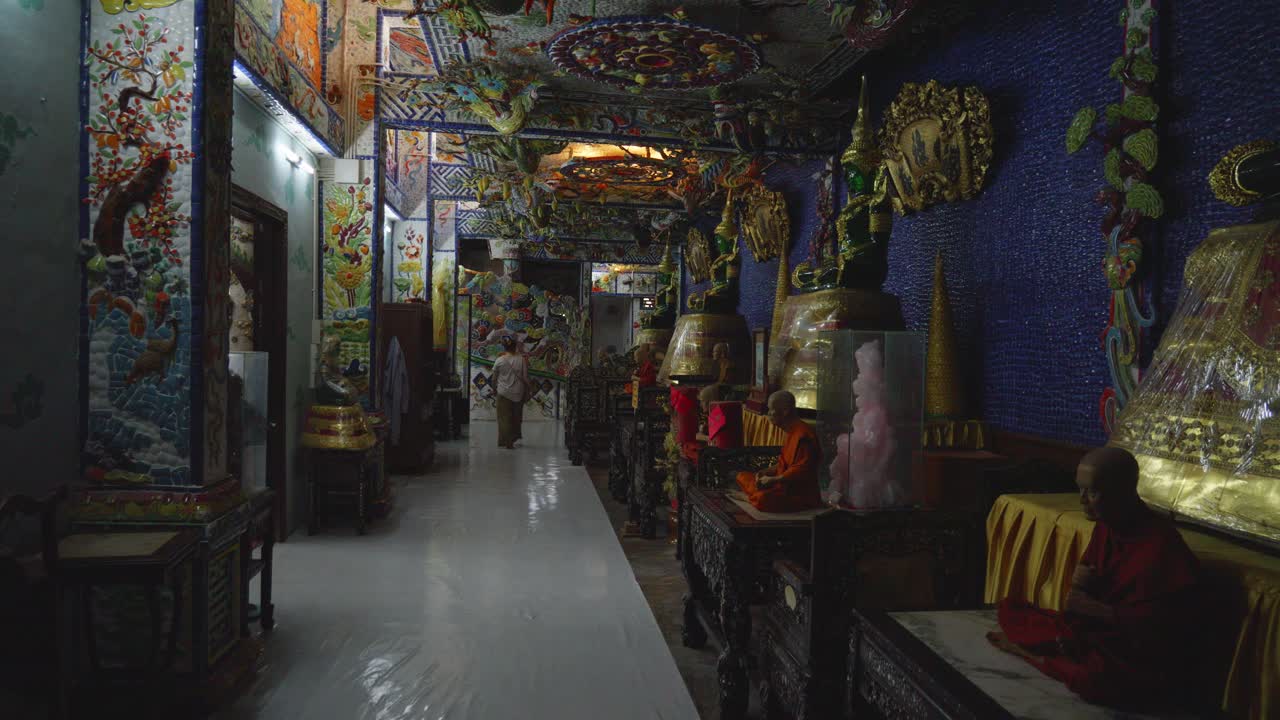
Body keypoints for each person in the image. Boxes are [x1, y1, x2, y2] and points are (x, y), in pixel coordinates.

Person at [987, 446, 1201, 709]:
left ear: (1124, 492)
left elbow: (1162, 630)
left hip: (1134, 653)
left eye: (1093, 492)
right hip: (1092, 635)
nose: (1082, 500)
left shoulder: (1161, 545)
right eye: (1080, 489)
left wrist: (1098, 611)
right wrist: (1082, 592)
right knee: (1011, 609)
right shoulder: (1107, 526)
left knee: (1092, 678)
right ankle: (1056, 650)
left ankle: (1033, 654)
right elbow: (1082, 597)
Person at [734, 390, 823, 512]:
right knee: (742, 476)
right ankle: (753, 496)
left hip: (798, 494)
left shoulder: (803, 435)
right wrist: (765, 472)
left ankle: (749, 499)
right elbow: (784, 463)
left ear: (785, 411)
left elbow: (801, 470)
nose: (768, 414)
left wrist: (774, 479)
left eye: (771, 410)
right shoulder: (791, 432)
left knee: (763, 498)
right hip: (779, 485)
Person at [491, 336, 530, 449]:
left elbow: (494, 378)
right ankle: (512, 438)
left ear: (504, 347)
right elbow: (525, 377)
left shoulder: (499, 360)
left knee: (504, 418)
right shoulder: (521, 359)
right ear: (515, 346)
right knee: (516, 418)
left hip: (503, 393)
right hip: (518, 393)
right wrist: (529, 390)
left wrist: (494, 389)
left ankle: (506, 440)